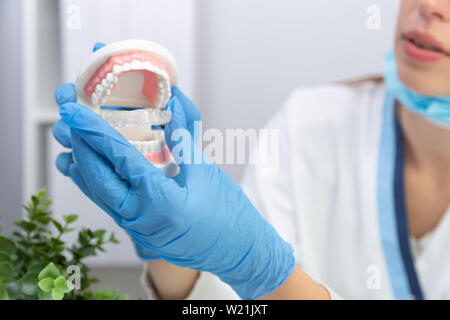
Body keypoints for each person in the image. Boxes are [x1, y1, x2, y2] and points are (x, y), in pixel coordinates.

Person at [53, 0, 450, 300]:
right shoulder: (311, 121)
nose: (431, 8)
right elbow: (221, 303)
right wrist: (169, 243)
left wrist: (262, 271)